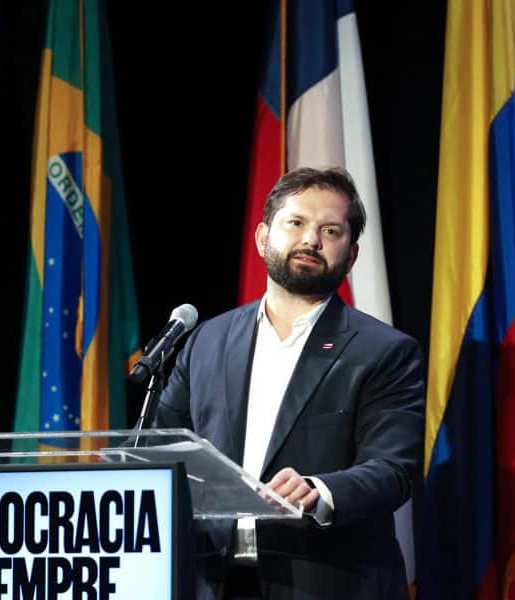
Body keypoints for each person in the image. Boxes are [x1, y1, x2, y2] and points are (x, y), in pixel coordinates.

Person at [154, 167, 425, 600]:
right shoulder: (207, 340)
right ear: (263, 238)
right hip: (212, 581)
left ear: (351, 255)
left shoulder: (384, 352)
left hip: (326, 583)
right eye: (296, 222)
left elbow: (392, 471)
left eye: (330, 230)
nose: (311, 239)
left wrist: (319, 491)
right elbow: (163, 445)